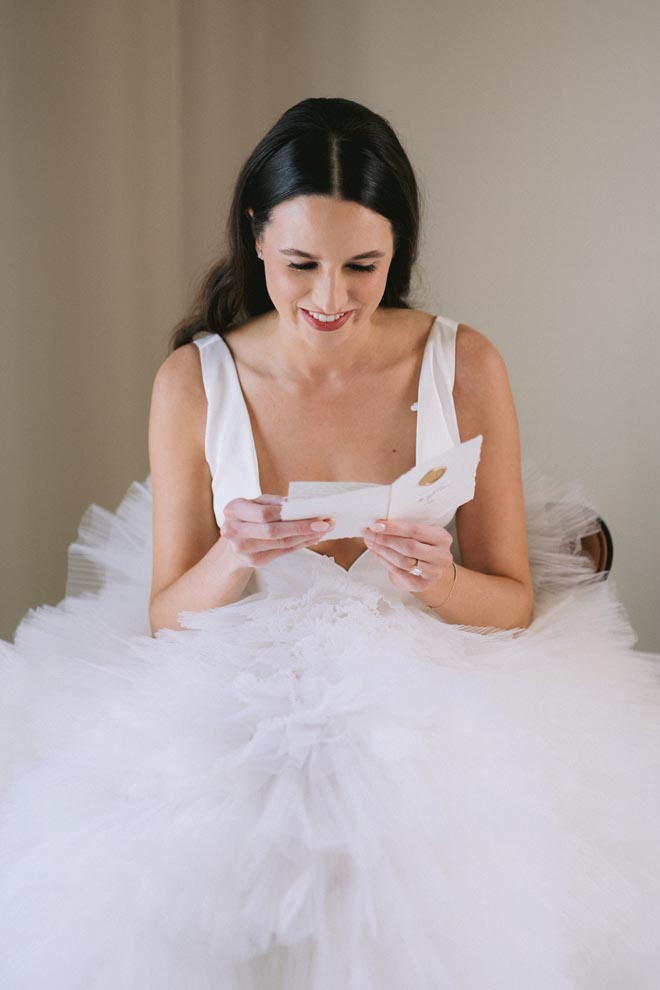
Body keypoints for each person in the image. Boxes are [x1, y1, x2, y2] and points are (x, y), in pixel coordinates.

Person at [1, 96, 659, 990]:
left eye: (364, 267)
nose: (330, 297)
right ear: (255, 237)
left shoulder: (466, 366)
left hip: (438, 677)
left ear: (400, 250)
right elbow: (166, 618)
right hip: (241, 680)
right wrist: (235, 553)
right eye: (301, 263)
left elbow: (511, 604)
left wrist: (441, 581)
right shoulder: (194, 383)